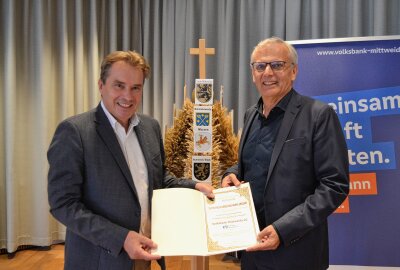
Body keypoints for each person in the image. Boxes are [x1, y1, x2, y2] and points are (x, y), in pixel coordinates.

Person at [47, 50, 214, 270]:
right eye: (119, 85)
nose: (128, 96)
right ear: (101, 85)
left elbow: (159, 180)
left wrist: (195, 187)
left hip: (144, 255)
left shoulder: (150, 127)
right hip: (100, 260)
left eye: (136, 88)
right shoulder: (74, 132)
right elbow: (63, 204)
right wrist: (121, 238)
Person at [222, 37, 349, 270]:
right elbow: (251, 164)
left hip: (297, 252)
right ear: (253, 74)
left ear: (294, 71)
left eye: (277, 65)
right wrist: (231, 173)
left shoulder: (319, 115)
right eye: (260, 66)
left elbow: (334, 185)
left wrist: (283, 230)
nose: (267, 72)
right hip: (252, 249)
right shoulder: (251, 115)